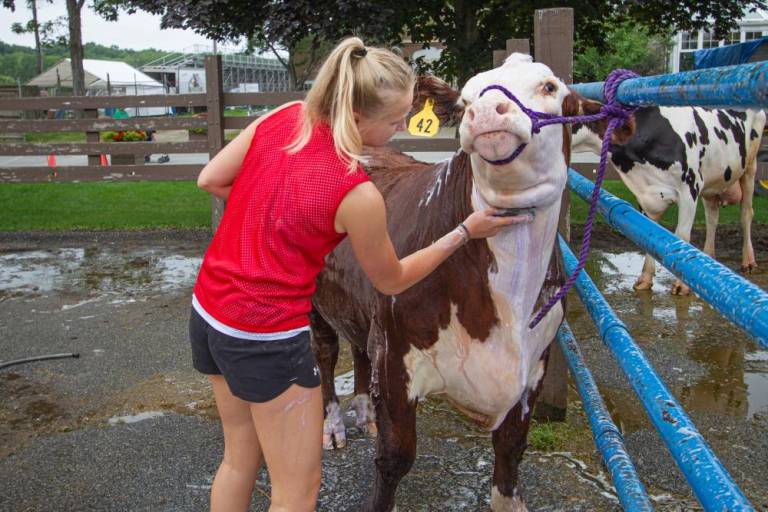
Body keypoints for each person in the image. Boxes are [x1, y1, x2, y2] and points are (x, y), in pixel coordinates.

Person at [190, 37, 517, 512]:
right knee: (296, 492)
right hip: (264, 336)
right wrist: (465, 231)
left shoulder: (285, 115)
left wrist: (276, 210)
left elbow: (212, 180)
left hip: (209, 312)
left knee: (239, 459)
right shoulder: (354, 192)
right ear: (359, 118)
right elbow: (392, 279)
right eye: (396, 120)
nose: (403, 127)